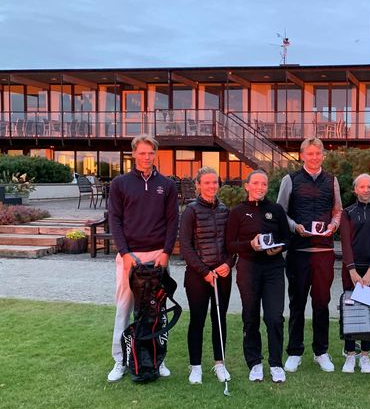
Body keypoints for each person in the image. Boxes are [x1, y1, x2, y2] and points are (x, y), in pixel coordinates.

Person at [106, 134, 179, 382]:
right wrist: (124, 253)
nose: (147, 157)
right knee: (124, 308)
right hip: (130, 257)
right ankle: (119, 360)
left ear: (155, 154)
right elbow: (115, 220)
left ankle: (159, 359)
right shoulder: (120, 183)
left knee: (157, 311)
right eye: (142, 153)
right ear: (134, 154)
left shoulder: (167, 185)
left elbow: (172, 221)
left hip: (158, 255)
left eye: (150, 153)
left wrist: (166, 252)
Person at [277, 138, 342, 373]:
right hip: (299, 252)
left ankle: (321, 352)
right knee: (297, 303)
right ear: (302, 155)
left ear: (323, 155)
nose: (314, 157)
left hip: (323, 252)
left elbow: (337, 210)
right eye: (310, 153)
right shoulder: (290, 179)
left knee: (321, 303)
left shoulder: (332, 180)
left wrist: (334, 225)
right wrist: (294, 227)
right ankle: (294, 352)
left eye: (318, 153)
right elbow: (280, 212)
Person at [226, 170, 291, 383]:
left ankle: (276, 363)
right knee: (250, 317)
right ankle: (254, 362)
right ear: (247, 186)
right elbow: (230, 244)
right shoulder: (237, 212)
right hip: (249, 268)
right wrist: (249, 245)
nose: (260, 187)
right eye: (255, 183)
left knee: (274, 317)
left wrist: (279, 248)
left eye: (264, 183)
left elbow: (287, 239)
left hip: (273, 269)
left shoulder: (276, 209)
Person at [179, 167, 234, 385]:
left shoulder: (225, 210)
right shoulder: (190, 211)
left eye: (215, 182)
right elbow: (185, 246)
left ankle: (220, 363)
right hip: (198, 276)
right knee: (197, 320)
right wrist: (204, 272)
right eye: (207, 182)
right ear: (198, 185)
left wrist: (228, 264)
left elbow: (231, 244)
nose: (212, 186)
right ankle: (195, 366)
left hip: (222, 274)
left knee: (219, 319)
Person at [339, 173, 370, 374]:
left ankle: (365, 355)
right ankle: (351, 354)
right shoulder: (347, 213)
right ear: (355, 189)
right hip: (351, 270)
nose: (366, 190)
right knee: (351, 311)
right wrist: (352, 270)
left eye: (369, 187)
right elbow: (345, 243)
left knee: (368, 312)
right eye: (362, 187)